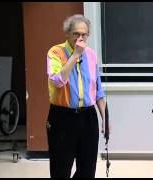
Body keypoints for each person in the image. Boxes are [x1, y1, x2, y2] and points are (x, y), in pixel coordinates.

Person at [46, 14, 109, 178]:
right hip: (62, 117)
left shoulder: (91, 54)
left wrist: (105, 118)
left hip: (88, 116)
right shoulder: (56, 52)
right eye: (76, 34)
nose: (80, 38)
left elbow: (98, 90)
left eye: (84, 34)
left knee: (87, 170)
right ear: (67, 33)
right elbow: (58, 81)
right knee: (61, 169)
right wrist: (75, 55)